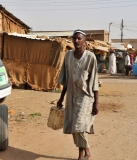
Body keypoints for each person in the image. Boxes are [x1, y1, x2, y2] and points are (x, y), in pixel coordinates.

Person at [57, 29, 99, 160]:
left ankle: (81, 155)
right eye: (74, 38)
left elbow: (94, 81)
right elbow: (65, 80)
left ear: (84, 41)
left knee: (79, 125)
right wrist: (61, 98)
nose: (76, 41)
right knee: (76, 125)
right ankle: (87, 152)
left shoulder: (90, 57)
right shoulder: (68, 56)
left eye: (79, 38)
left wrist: (96, 103)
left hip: (85, 97)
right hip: (71, 96)